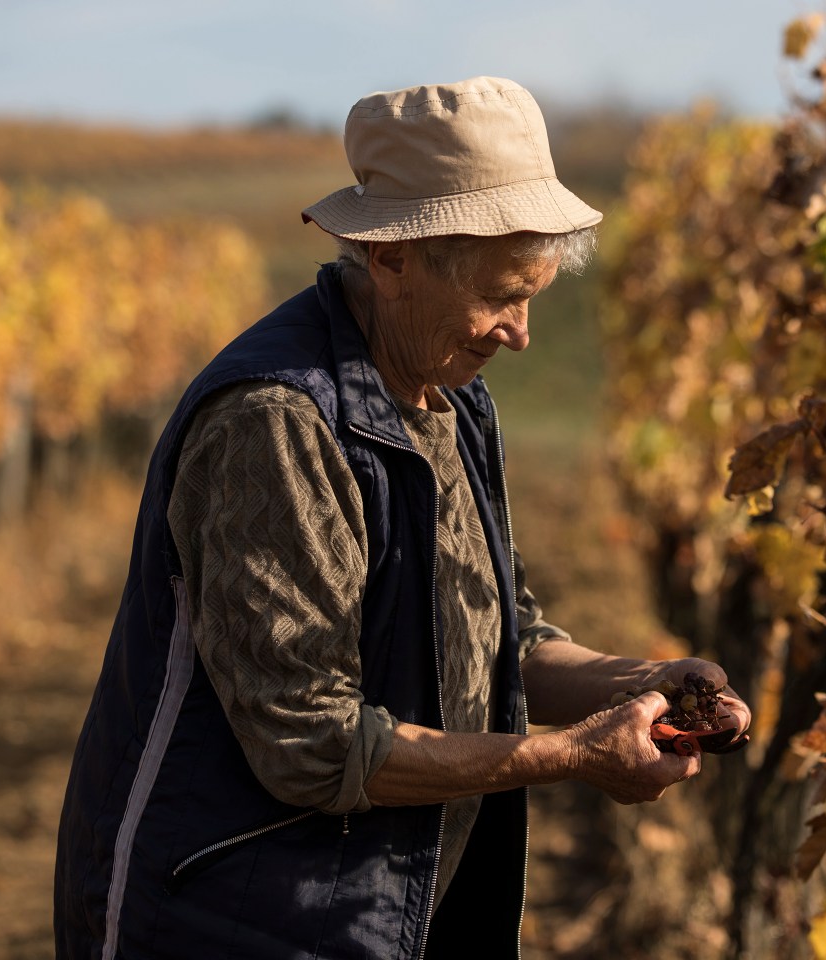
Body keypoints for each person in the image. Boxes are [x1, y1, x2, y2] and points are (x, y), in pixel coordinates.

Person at [53, 76, 751, 960]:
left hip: (370, 907)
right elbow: (310, 743)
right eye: (502, 294)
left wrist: (642, 684)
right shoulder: (277, 425)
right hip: (227, 915)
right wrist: (572, 756)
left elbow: (506, 637)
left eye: (533, 294)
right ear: (392, 259)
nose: (522, 331)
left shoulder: (451, 397)